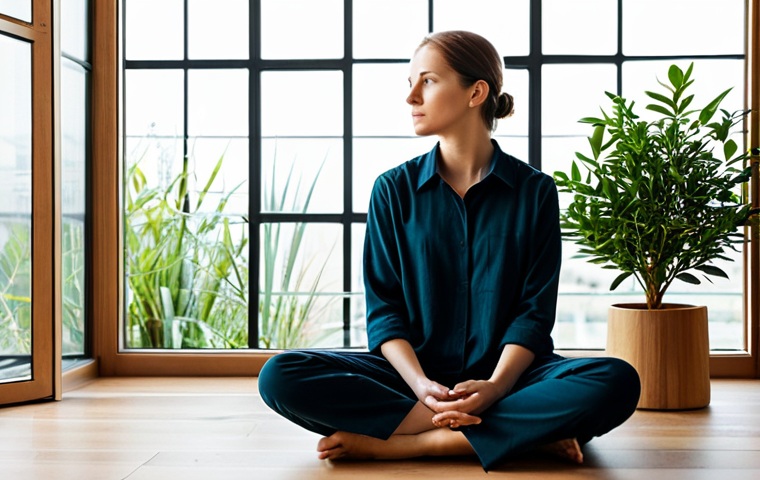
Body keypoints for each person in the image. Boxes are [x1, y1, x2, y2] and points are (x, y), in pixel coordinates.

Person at [257, 30, 641, 473]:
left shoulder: (535, 191)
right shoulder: (392, 190)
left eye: (428, 81)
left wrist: (495, 386)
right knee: (280, 375)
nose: (412, 98)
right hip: (411, 381)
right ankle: (516, 438)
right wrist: (422, 386)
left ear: (476, 92)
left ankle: (414, 444)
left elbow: (534, 314)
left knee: (615, 381)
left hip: (511, 379)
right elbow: (385, 311)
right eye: (410, 84)